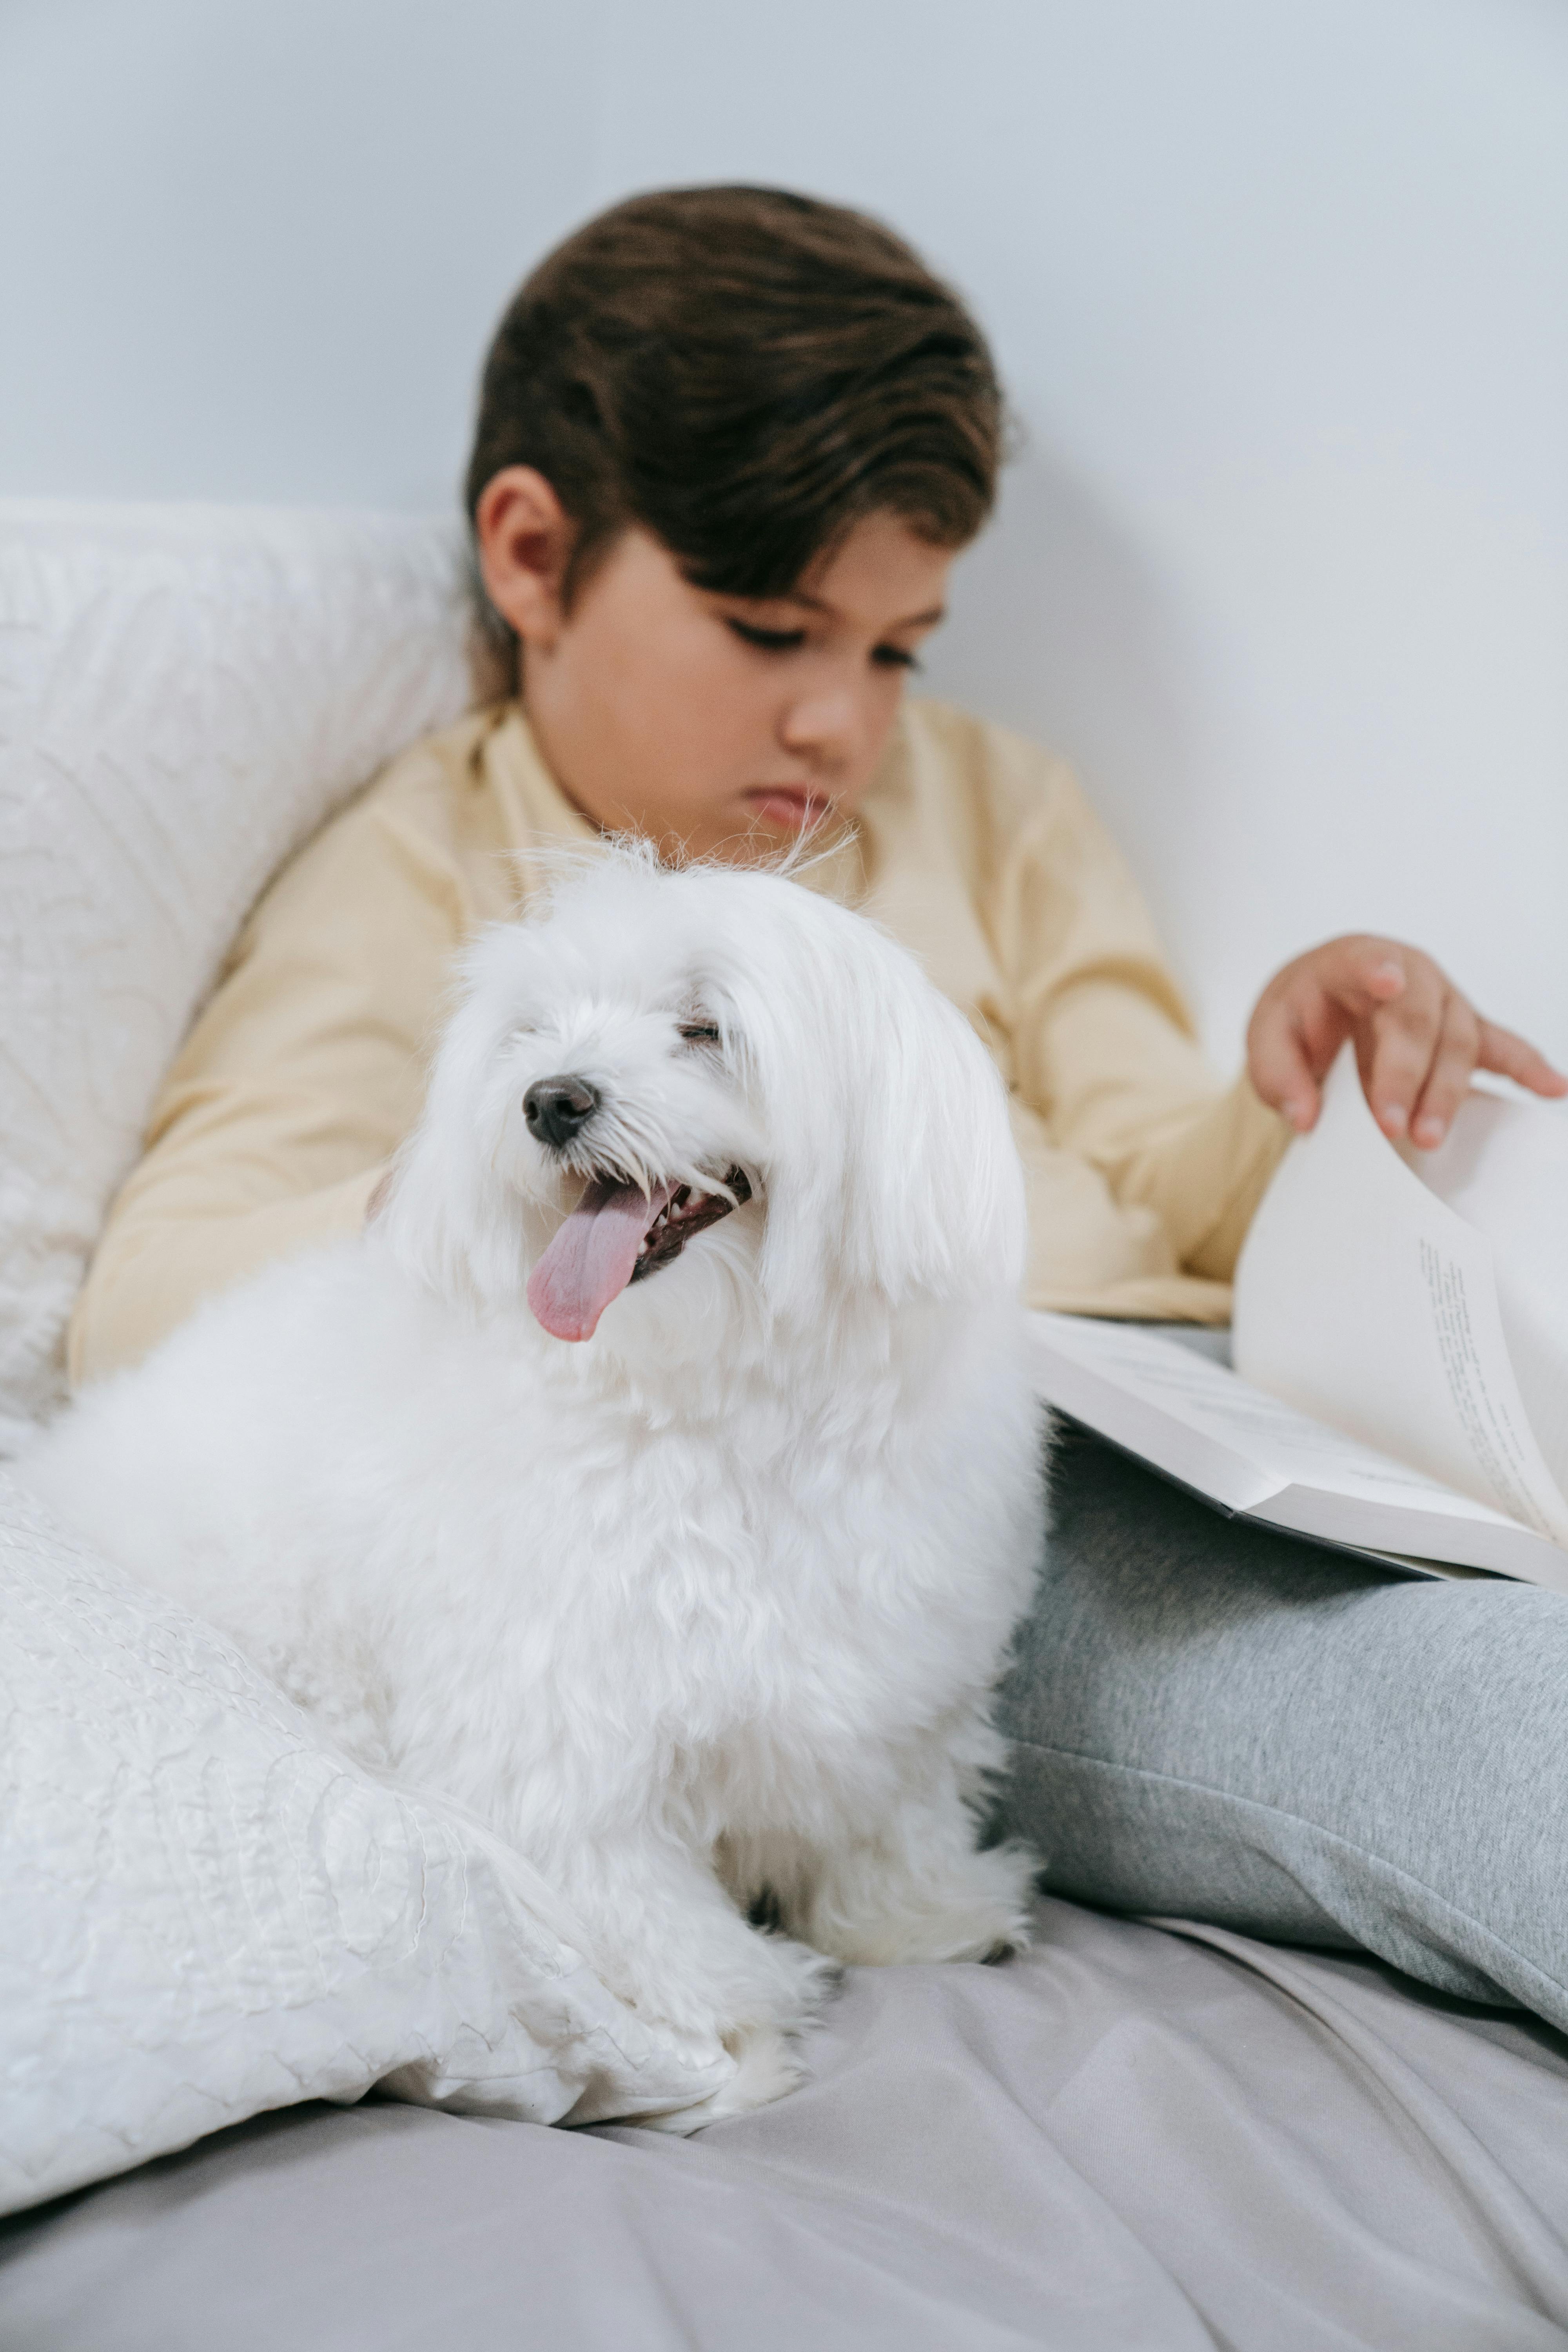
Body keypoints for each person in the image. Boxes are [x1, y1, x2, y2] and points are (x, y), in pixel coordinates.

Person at [71, 185, 1568, 2028]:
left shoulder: (995, 803)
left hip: (1147, 1413)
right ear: (531, 558)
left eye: (894, 650)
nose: (839, 729)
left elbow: (1156, 1185)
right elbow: (157, 1292)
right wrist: (488, 1195)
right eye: (772, 630)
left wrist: (1301, 1082)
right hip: (852, 1524)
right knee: (1474, 1720)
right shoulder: (422, 877)